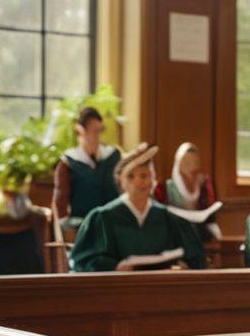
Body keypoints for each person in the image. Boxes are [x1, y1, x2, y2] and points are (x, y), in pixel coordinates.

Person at [70, 143, 206, 272]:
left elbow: (194, 256)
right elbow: (84, 260)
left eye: (146, 176)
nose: (141, 182)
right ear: (122, 182)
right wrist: (115, 267)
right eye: (133, 176)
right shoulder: (104, 217)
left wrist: (182, 266)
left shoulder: (166, 217)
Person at [52, 107, 120, 228]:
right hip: (83, 227)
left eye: (100, 130)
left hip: (113, 224)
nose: (98, 136)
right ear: (80, 130)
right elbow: (60, 207)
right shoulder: (68, 162)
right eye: (93, 131)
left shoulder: (113, 157)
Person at [153, 142, 220, 240]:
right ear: (178, 165)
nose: (192, 167)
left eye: (195, 162)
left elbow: (211, 219)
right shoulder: (165, 188)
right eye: (187, 162)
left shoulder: (204, 186)